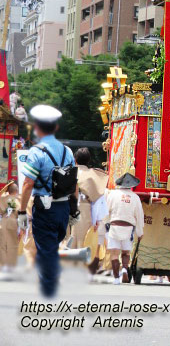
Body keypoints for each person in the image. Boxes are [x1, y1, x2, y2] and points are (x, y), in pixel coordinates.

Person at [17, 105, 78, 297]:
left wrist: (20, 211)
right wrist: (73, 209)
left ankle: (49, 289)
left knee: (46, 249)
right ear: (56, 127)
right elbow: (74, 182)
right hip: (63, 208)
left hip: (44, 208)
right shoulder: (67, 151)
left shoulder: (37, 152)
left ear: (37, 128)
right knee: (52, 246)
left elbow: (28, 183)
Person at [73, 147, 109, 279]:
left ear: (75, 160)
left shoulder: (69, 172)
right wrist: (97, 220)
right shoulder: (93, 176)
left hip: (67, 208)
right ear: (88, 160)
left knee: (70, 239)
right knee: (84, 240)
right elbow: (98, 201)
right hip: (85, 209)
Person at [106, 172, 144, 285]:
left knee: (114, 253)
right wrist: (140, 232)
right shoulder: (135, 197)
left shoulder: (112, 195)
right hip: (128, 228)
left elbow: (106, 211)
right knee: (126, 253)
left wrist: (105, 225)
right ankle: (124, 269)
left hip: (115, 226)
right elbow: (139, 216)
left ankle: (116, 278)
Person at [0, 182, 20, 274]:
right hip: (13, 221)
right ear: (16, 190)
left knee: (3, 245)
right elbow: (20, 211)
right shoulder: (18, 199)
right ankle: (11, 265)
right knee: (12, 245)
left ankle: (3, 265)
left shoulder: (2, 199)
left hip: (3, 221)